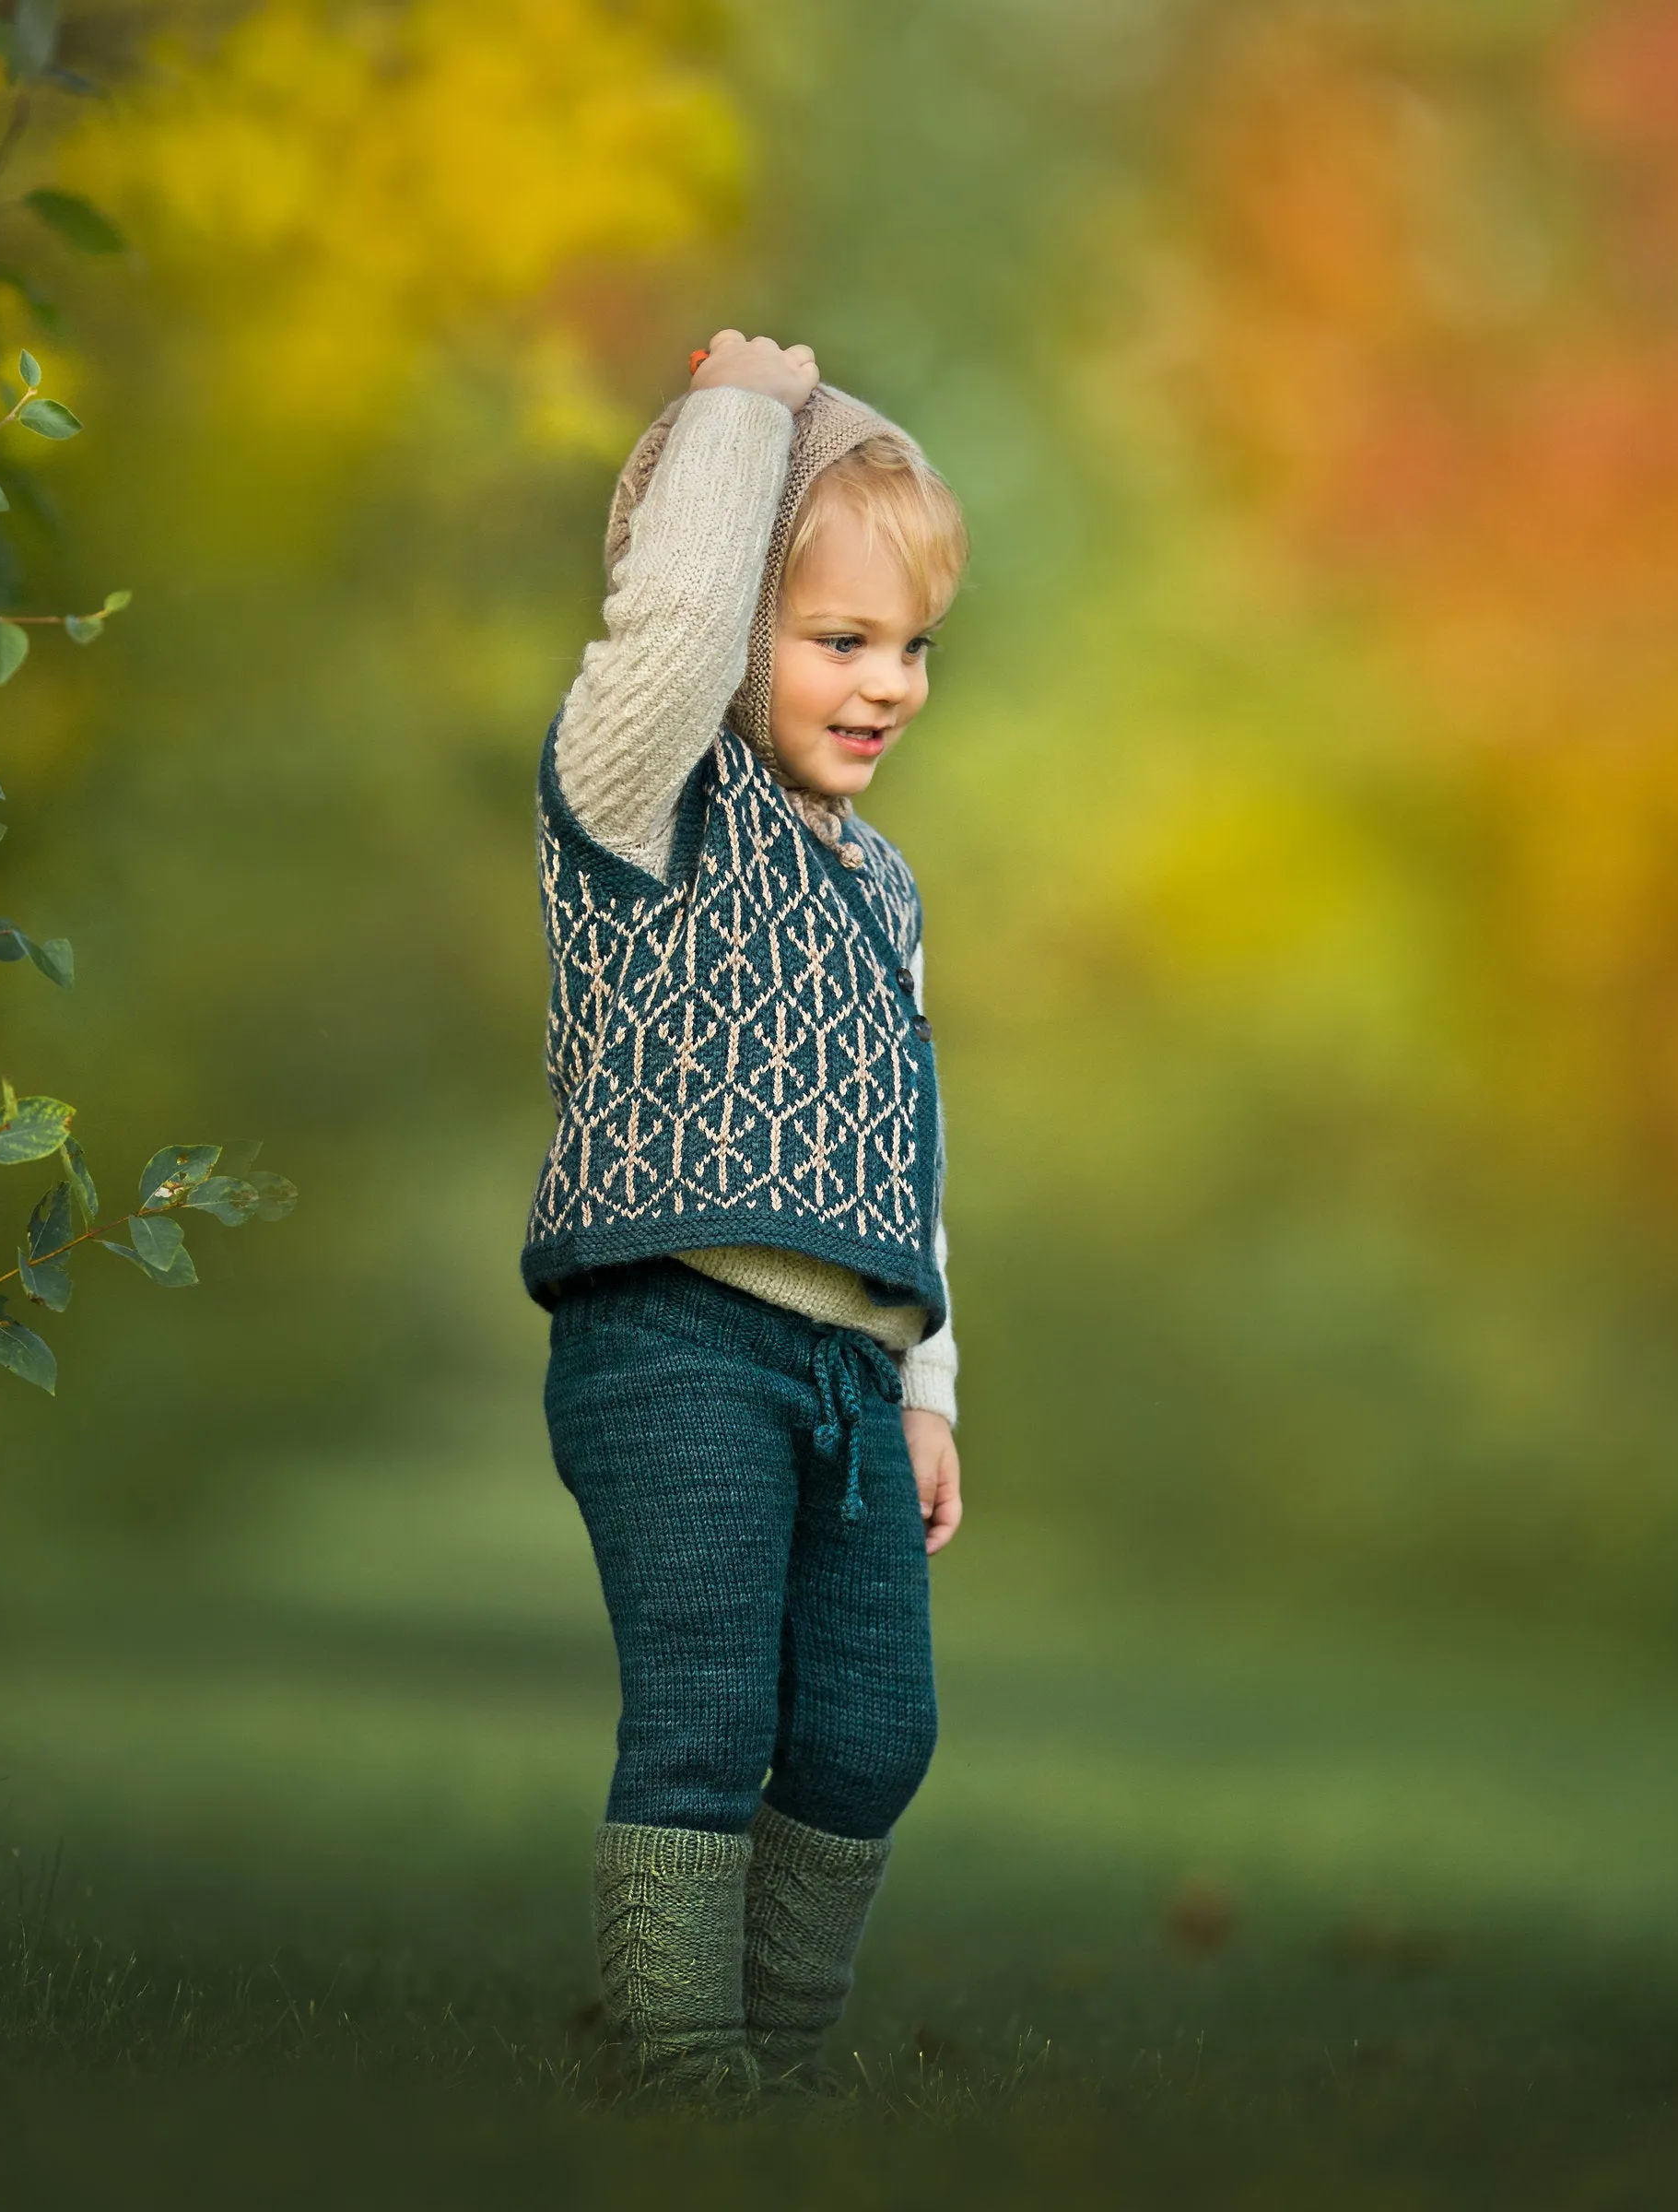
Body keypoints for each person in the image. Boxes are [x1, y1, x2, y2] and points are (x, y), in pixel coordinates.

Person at [522, 329, 969, 2092]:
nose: (888, 685)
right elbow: (677, 625)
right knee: (707, 1719)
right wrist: (737, 417)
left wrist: (927, 1387)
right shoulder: (639, 803)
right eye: (838, 641)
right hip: (674, 1344)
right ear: (733, 649)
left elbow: (909, 1153)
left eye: (913, 646)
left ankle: (777, 2065)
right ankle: (677, 2065)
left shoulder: (883, 883)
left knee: (873, 1735)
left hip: (850, 1379)